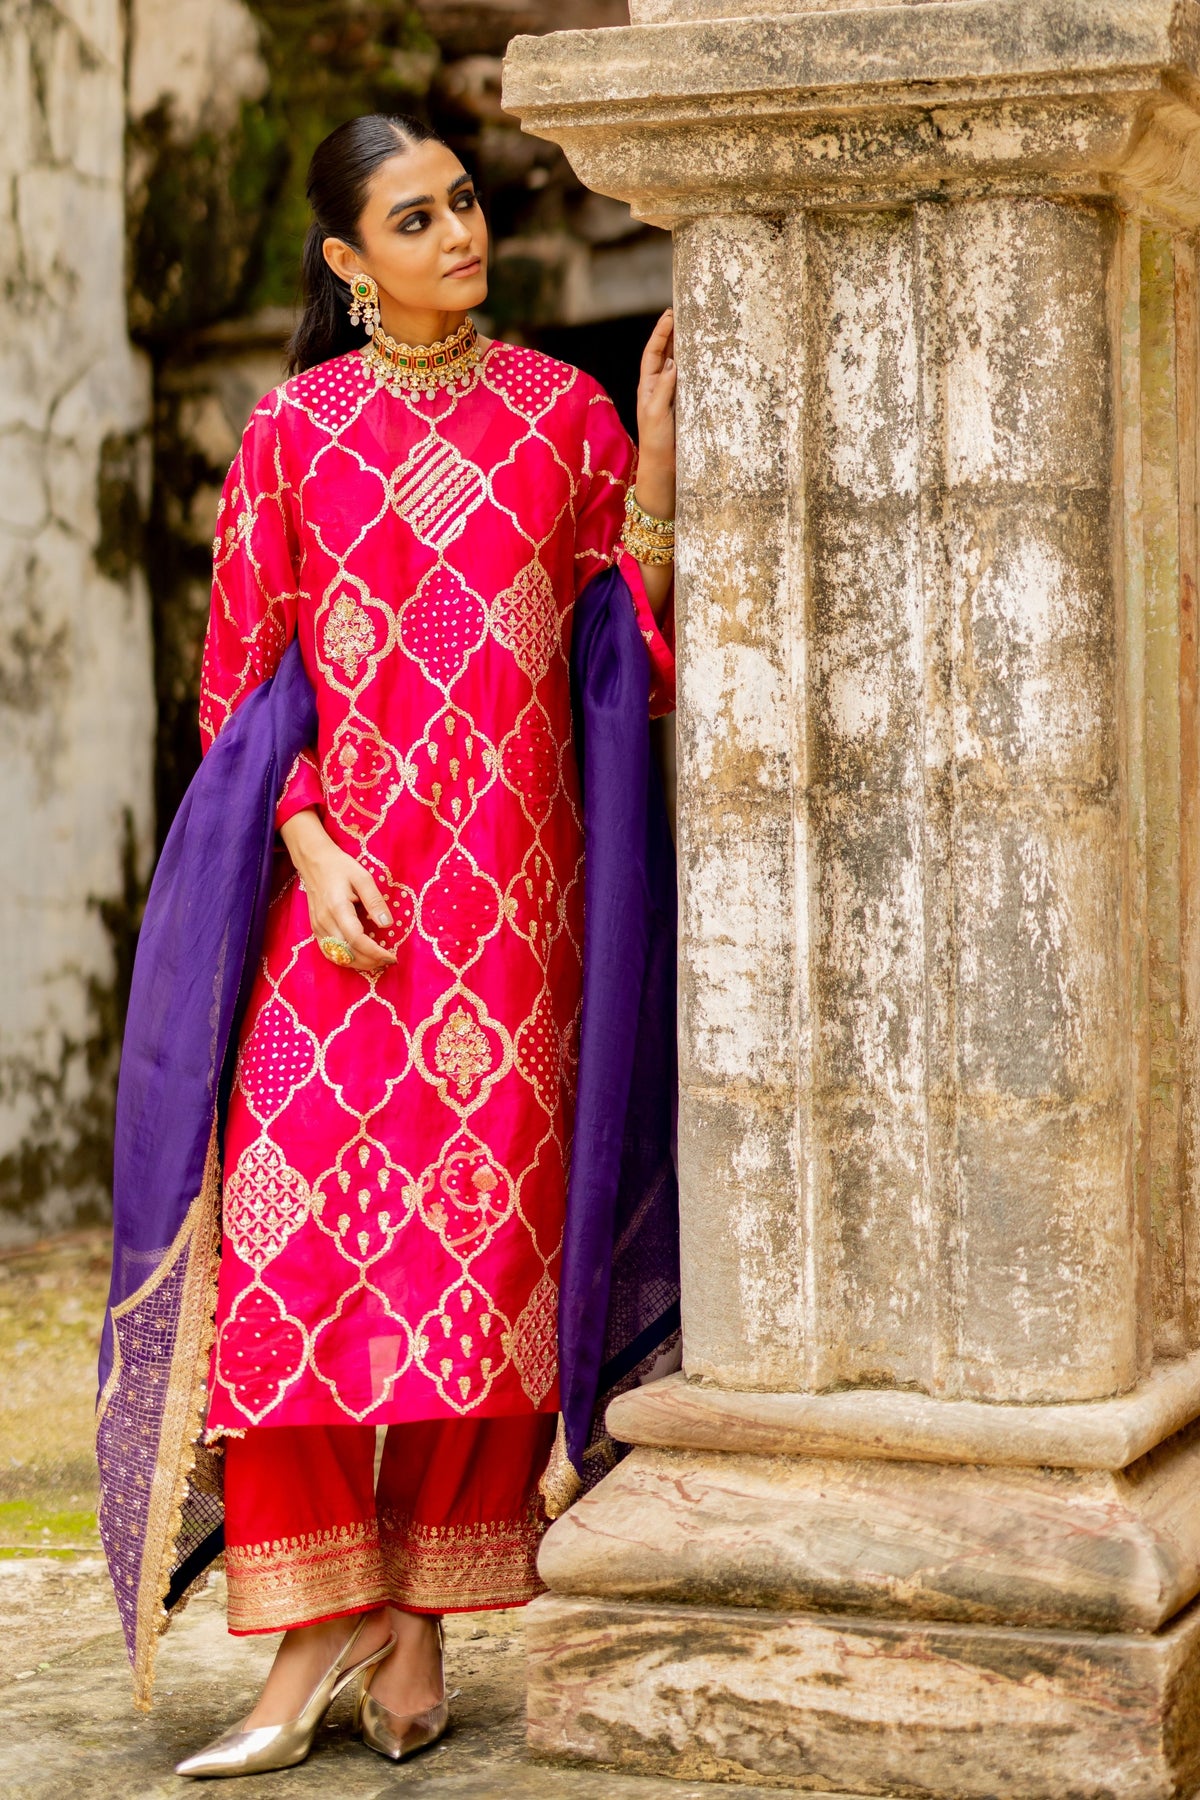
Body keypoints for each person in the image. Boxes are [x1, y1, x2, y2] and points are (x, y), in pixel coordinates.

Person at [165, 112, 676, 1776]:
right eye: (414, 216)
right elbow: (240, 688)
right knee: (294, 1254)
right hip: (349, 920)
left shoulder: (564, 414)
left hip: (519, 935)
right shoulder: (293, 437)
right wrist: (308, 854)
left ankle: (416, 1624)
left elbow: (628, 645)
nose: (458, 231)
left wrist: (656, 465)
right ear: (344, 259)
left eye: (463, 202)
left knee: (483, 1282)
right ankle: (312, 1617)